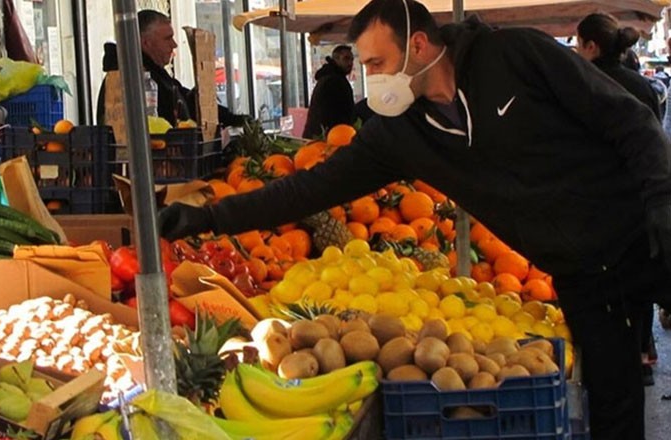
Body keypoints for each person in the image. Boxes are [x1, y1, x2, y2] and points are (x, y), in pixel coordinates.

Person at [159, 1, 671, 438]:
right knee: (614, 405)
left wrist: (662, 203)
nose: (375, 78)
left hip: (644, 229)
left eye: (380, 62)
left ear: (420, 45)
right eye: (367, 67)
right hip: (580, 276)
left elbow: (629, 119)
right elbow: (306, 189)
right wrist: (207, 217)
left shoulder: (514, 54)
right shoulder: (399, 134)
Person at [577, 13, 663, 387]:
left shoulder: (584, 86)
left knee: (610, 283)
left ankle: (619, 359)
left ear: (591, 46)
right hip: (640, 196)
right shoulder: (641, 86)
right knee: (640, 279)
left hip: (600, 201)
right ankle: (643, 353)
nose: (577, 52)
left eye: (578, 44)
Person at [96, 10, 248, 128]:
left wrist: (233, 119)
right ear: (146, 43)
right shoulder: (131, 79)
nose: (174, 44)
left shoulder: (159, 76)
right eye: (167, 38)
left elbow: (186, 101)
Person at [302, 46, 356, 138]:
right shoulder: (334, 80)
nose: (350, 63)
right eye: (346, 59)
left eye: (352, 59)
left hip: (322, 136)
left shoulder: (329, 77)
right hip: (327, 138)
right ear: (336, 59)